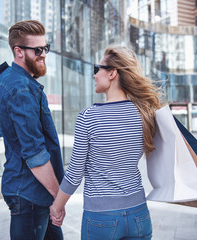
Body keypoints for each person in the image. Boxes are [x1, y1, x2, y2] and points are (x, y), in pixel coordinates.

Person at [50, 45, 163, 239]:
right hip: (139, 214)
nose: (94, 75)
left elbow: (75, 173)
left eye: (97, 69)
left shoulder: (89, 116)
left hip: (101, 219)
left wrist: (56, 207)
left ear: (112, 73)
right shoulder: (144, 115)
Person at [0, 20, 64, 240]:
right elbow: (34, 153)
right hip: (31, 195)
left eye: (45, 48)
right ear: (19, 52)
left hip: (34, 193)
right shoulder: (21, 88)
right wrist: (58, 198)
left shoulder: (10, 81)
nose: (43, 54)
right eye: (37, 50)